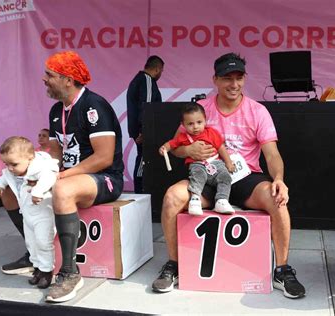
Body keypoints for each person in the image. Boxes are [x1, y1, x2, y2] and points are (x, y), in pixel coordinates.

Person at [151, 53, 306, 299]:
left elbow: (272, 154)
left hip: (245, 179)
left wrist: (279, 179)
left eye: (239, 78)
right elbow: (176, 145)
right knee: (172, 197)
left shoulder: (258, 111)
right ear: (215, 79)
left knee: (277, 198)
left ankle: (282, 269)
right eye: (227, 78)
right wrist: (188, 150)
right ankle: (174, 265)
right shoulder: (202, 108)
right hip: (206, 176)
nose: (234, 84)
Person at [37, 50, 123, 302]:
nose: (44, 79)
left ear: (67, 79)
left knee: (62, 190)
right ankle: (38, 256)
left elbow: (104, 157)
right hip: (73, 176)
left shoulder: (94, 105)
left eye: (49, 75)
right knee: (13, 187)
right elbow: (54, 153)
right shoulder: (56, 110)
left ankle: (69, 272)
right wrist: (39, 173)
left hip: (105, 178)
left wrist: (63, 176)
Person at [0, 136, 59, 289]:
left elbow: (49, 177)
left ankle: (46, 271)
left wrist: (38, 190)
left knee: (43, 242)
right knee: (31, 243)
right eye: (6, 164)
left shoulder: (40, 168)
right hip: (27, 214)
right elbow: (5, 176)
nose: (10, 168)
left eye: (14, 164)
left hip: (43, 214)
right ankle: (37, 268)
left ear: (30, 158)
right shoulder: (13, 171)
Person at [159, 103, 235, 216]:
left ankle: (222, 201)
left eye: (199, 122)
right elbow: (171, 144)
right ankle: (195, 200)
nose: (195, 127)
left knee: (225, 177)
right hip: (197, 164)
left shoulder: (211, 133)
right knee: (197, 178)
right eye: (190, 124)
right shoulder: (183, 137)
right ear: (183, 125)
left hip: (215, 163)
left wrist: (228, 162)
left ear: (205, 120)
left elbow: (221, 148)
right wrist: (164, 148)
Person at [126, 55, 164, 193]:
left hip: (142, 129)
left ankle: (141, 189)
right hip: (144, 131)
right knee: (144, 159)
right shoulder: (146, 80)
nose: (160, 74)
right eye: (161, 71)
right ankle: (140, 191)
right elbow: (146, 107)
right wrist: (144, 130)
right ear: (157, 69)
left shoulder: (137, 80)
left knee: (143, 158)